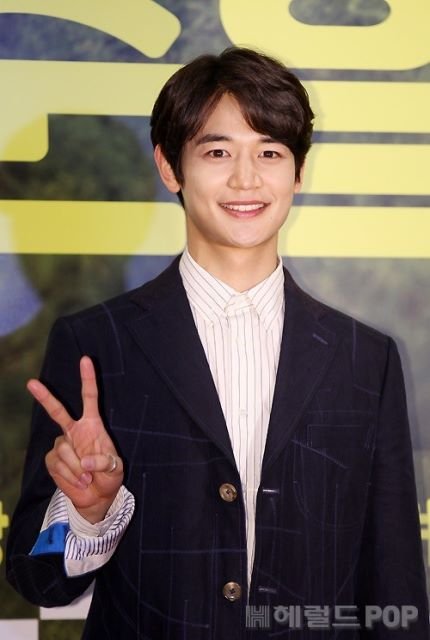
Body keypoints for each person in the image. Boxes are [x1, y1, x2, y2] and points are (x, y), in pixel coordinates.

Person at [6, 47, 429, 639]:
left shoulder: (364, 358)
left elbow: (395, 583)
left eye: (270, 152)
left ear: (298, 172)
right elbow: (38, 578)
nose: (246, 179)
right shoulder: (95, 346)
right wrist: (86, 511)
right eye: (218, 152)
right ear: (169, 167)